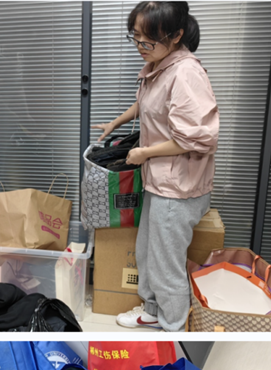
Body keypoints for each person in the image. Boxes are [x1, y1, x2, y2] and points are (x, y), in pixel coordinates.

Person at [93, 1, 219, 332]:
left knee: (166, 265)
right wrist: (115, 123)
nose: (140, 45)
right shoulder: (159, 65)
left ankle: (173, 327)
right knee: (147, 252)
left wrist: (144, 153)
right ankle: (152, 311)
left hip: (178, 189)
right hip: (160, 182)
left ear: (176, 36)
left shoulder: (186, 74)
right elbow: (145, 103)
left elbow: (198, 138)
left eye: (148, 39)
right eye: (135, 36)